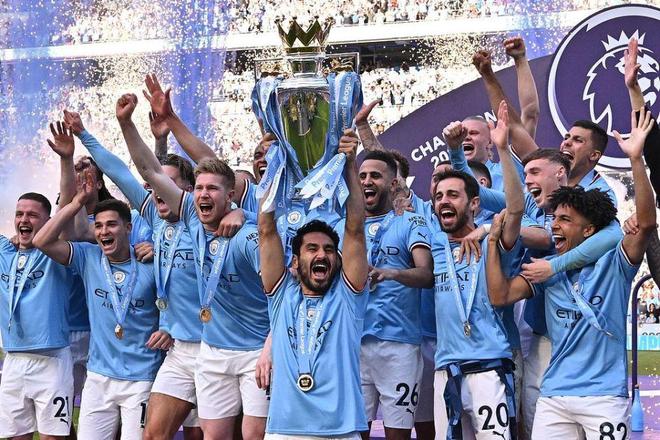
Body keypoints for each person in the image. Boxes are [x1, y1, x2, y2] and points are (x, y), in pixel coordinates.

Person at [485, 107, 656, 438]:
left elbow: (646, 223)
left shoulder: (614, 264)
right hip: (555, 396)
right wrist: (493, 241)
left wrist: (636, 159)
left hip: (603, 397)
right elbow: (500, 295)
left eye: (565, 220)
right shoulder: (544, 271)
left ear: (588, 229)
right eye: (554, 219)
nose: (555, 227)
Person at [119, 92, 269, 440]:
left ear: (230, 196)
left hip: (253, 350)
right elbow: (149, 170)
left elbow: (280, 294)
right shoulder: (189, 215)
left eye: (212, 189)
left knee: (253, 436)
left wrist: (271, 348)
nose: (202, 194)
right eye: (198, 188)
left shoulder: (249, 238)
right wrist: (126, 124)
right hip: (211, 350)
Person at [65, 101, 205, 440]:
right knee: (153, 435)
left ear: (186, 191)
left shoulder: (204, 222)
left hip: (213, 345)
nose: (158, 191)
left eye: (168, 185)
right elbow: (124, 172)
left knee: (212, 434)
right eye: (156, 186)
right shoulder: (153, 219)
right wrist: (90, 132)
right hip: (176, 349)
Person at [33, 174, 169, 440]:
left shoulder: (150, 263)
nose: (104, 231)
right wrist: (76, 203)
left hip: (141, 377)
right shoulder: (89, 257)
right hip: (98, 377)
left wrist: (167, 327)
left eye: (112, 225)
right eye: (99, 226)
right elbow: (41, 241)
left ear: (128, 228)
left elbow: (173, 302)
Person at [258, 128, 369, 439]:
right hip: (285, 431)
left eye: (329, 250)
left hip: (340, 431)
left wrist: (350, 164)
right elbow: (266, 230)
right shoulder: (281, 294)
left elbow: (355, 229)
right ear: (294, 262)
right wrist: (274, 164)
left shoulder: (348, 296)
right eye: (312, 249)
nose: (322, 254)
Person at [431, 100, 524, 439]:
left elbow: (516, 208)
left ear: (474, 203)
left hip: (489, 368)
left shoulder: (493, 241)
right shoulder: (434, 244)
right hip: (446, 370)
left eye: (453, 195)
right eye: (439, 196)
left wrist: (503, 149)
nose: (444, 201)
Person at [334, 148, 433, 440]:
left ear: (393, 184)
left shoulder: (411, 222)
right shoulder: (342, 228)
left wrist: (391, 273)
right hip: (353, 345)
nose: (367, 181)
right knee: (353, 434)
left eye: (375, 176)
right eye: (362, 176)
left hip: (399, 346)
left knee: (397, 434)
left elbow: (426, 274)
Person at [0, 192, 75, 440]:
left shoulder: (55, 253)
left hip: (51, 360)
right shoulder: (4, 251)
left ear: (48, 221)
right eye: (19, 214)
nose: (24, 220)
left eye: (32, 215)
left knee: (53, 437)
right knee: (15, 436)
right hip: (13, 359)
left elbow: (66, 203)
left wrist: (76, 198)